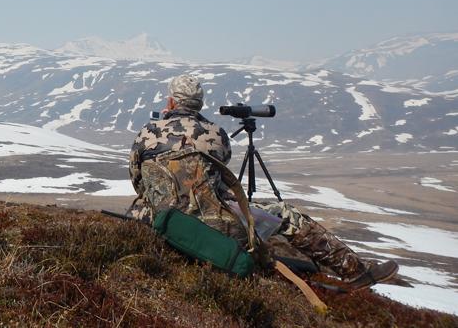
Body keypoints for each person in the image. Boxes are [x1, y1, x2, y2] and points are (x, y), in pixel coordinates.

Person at [128, 73, 398, 290]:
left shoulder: (147, 132)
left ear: (171, 102)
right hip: (213, 226)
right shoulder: (215, 134)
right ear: (199, 104)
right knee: (285, 214)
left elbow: (138, 181)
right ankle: (354, 270)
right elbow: (218, 177)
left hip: (157, 220)